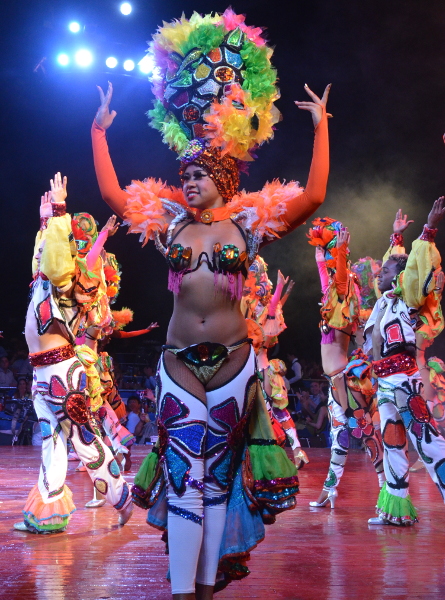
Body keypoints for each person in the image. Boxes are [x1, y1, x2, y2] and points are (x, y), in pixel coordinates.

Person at [92, 9, 329, 598]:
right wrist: (98, 133)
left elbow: (316, 195)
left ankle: (204, 585)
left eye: (200, 173)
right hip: (176, 363)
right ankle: (180, 589)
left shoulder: (250, 226)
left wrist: (322, 126)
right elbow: (114, 196)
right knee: (183, 476)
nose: (189, 180)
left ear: (225, 179)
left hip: (233, 361)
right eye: (185, 173)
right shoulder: (169, 223)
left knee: (218, 479)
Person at [13, 173, 133, 534]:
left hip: (63, 373)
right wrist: (44, 221)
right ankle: (47, 514)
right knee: (52, 441)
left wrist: (60, 212)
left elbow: (52, 261)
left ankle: (120, 495)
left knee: (83, 439)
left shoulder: (69, 277)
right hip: (43, 374)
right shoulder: (45, 280)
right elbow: (39, 262)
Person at [364, 199, 445, 525]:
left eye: (386, 271)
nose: (379, 273)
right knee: (394, 444)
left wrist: (427, 230)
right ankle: (397, 512)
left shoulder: (407, 298)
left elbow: (411, 271)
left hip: (405, 380)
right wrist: (395, 240)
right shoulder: (385, 301)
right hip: (386, 382)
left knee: (427, 441)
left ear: (399, 279)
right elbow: (395, 266)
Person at [307, 220, 385, 509]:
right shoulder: (332, 303)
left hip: (346, 380)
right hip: (333, 383)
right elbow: (328, 283)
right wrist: (319, 257)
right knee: (338, 438)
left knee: (365, 434)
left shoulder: (345, 298)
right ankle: (330, 489)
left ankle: (387, 489)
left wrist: (339, 252)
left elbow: (338, 280)